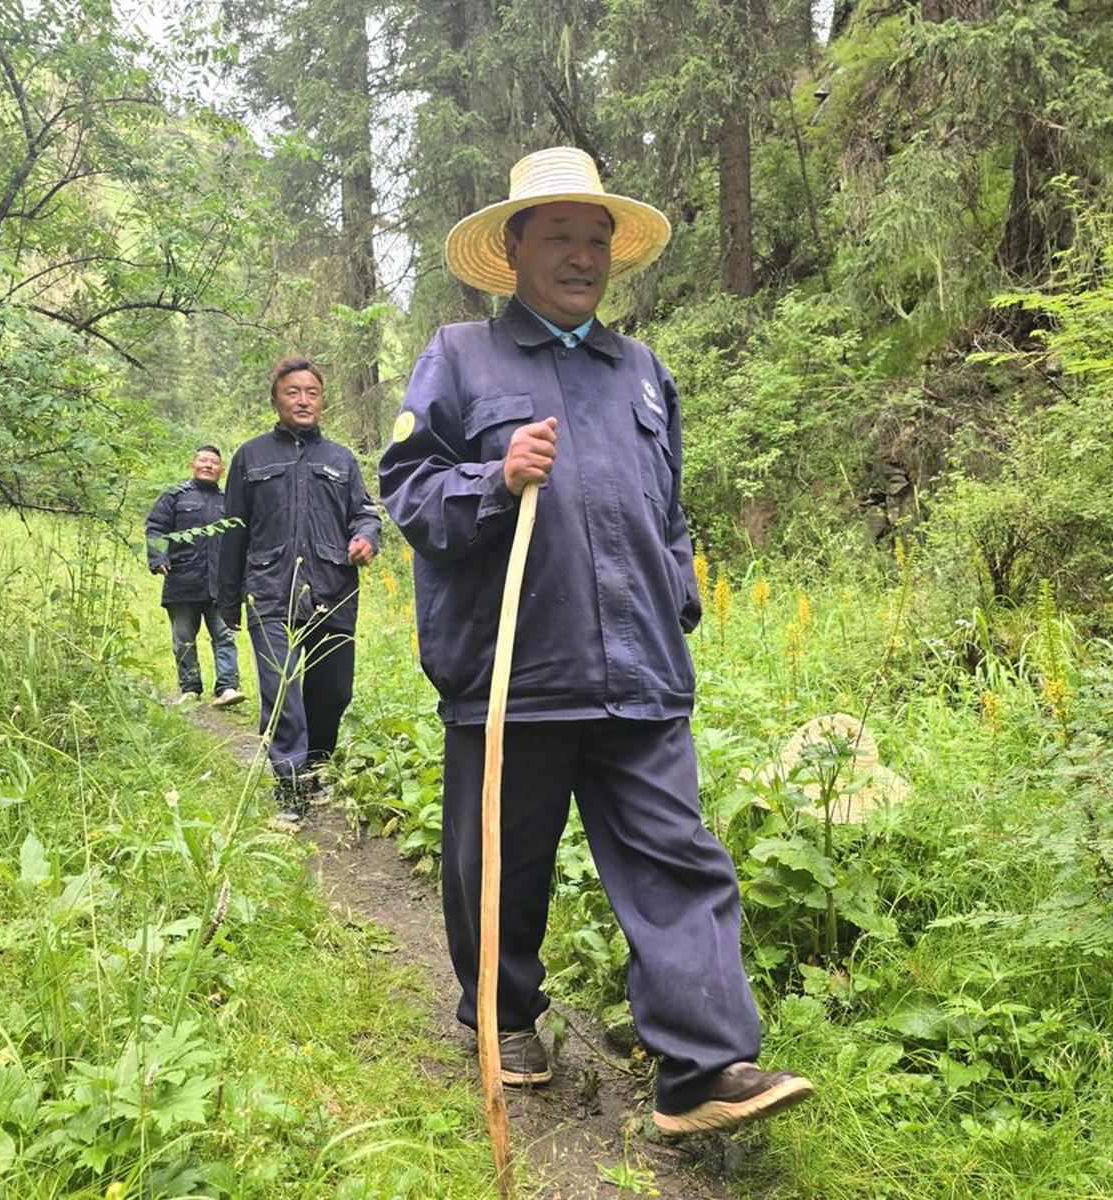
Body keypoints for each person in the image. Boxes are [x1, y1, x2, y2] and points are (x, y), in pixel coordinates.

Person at [379, 147, 812, 1134]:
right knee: (500, 862)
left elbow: (668, 510)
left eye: (596, 240)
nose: (581, 256)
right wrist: (494, 478)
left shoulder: (643, 372)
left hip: (642, 671)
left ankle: (704, 1068)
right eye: (559, 236)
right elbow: (409, 492)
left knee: (679, 859)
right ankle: (504, 1016)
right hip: (514, 670)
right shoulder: (460, 356)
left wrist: (675, 598)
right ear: (513, 248)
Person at [218, 357, 381, 823]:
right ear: (276, 401)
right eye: (293, 392)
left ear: (321, 400)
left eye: (312, 392)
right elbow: (233, 532)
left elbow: (365, 513)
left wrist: (366, 538)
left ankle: (315, 767)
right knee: (282, 692)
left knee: (334, 692)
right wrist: (228, 602)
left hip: (333, 589)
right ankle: (291, 788)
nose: (303, 399)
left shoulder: (341, 459)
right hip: (268, 591)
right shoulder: (250, 457)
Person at [145, 445, 245, 708]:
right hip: (182, 580)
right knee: (183, 639)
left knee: (225, 636)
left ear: (222, 469)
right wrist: (158, 558)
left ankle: (228, 688)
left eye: (214, 462)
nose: (208, 465)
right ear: (193, 465)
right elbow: (156, 527)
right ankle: (190, 689)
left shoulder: (230, 501)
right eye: (203, 460)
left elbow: (243, 539)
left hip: (221, 584)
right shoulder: (175, 497)